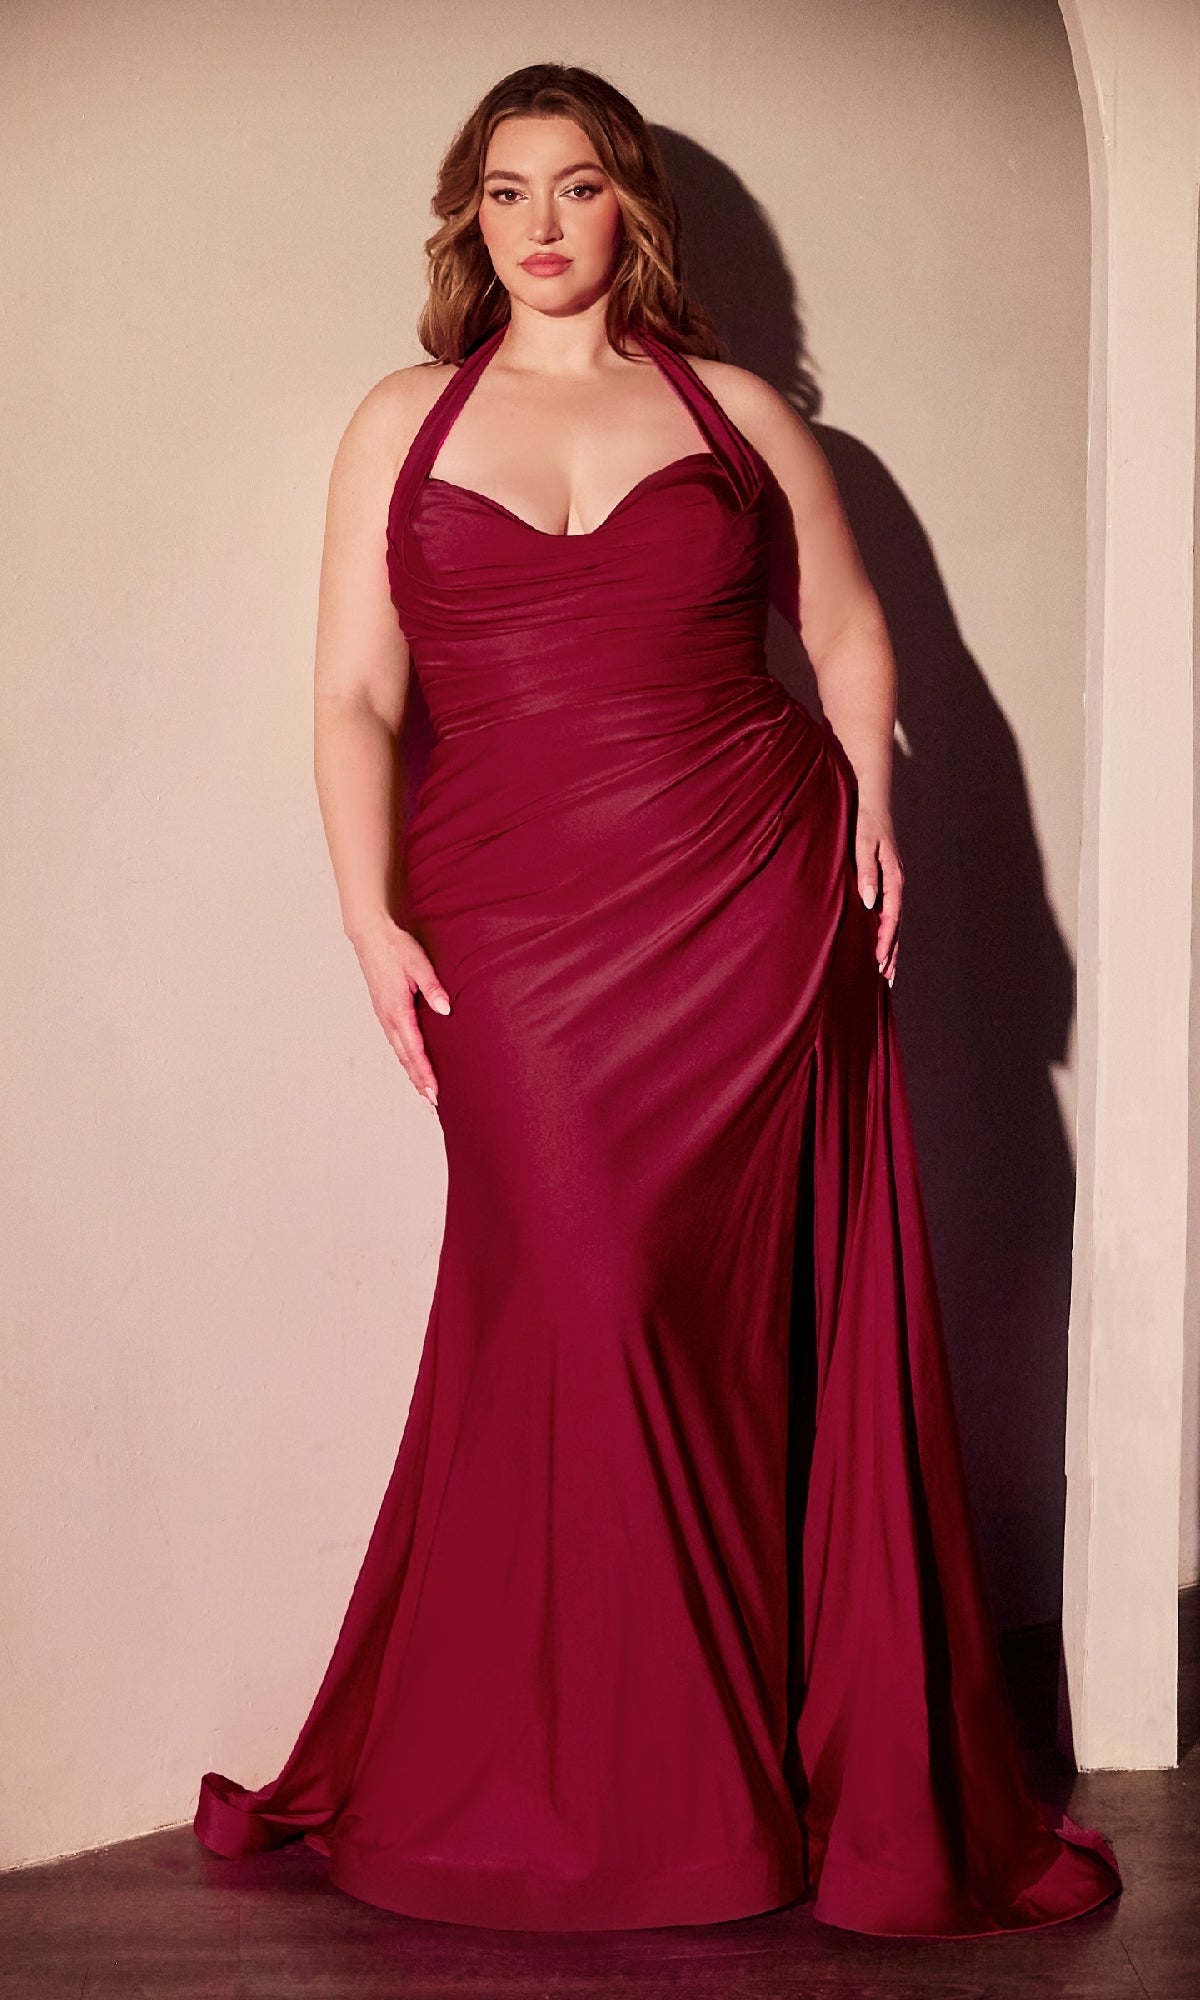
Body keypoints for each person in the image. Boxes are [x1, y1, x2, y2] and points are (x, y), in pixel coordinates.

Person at [194, 61, 1122, 1938]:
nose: (540, 225)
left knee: (720, 1331)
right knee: (587, 1293)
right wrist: (367, 915)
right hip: (515, 919)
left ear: (631, 206)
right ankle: (603, 1775)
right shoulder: (403, 419)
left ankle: (714, 1777)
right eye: (505, 191)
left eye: (576, 186)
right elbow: (354, 695)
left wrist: (872, 796)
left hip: (750, 901)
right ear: (470, 221)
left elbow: (844, 625)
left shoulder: (737, 412)